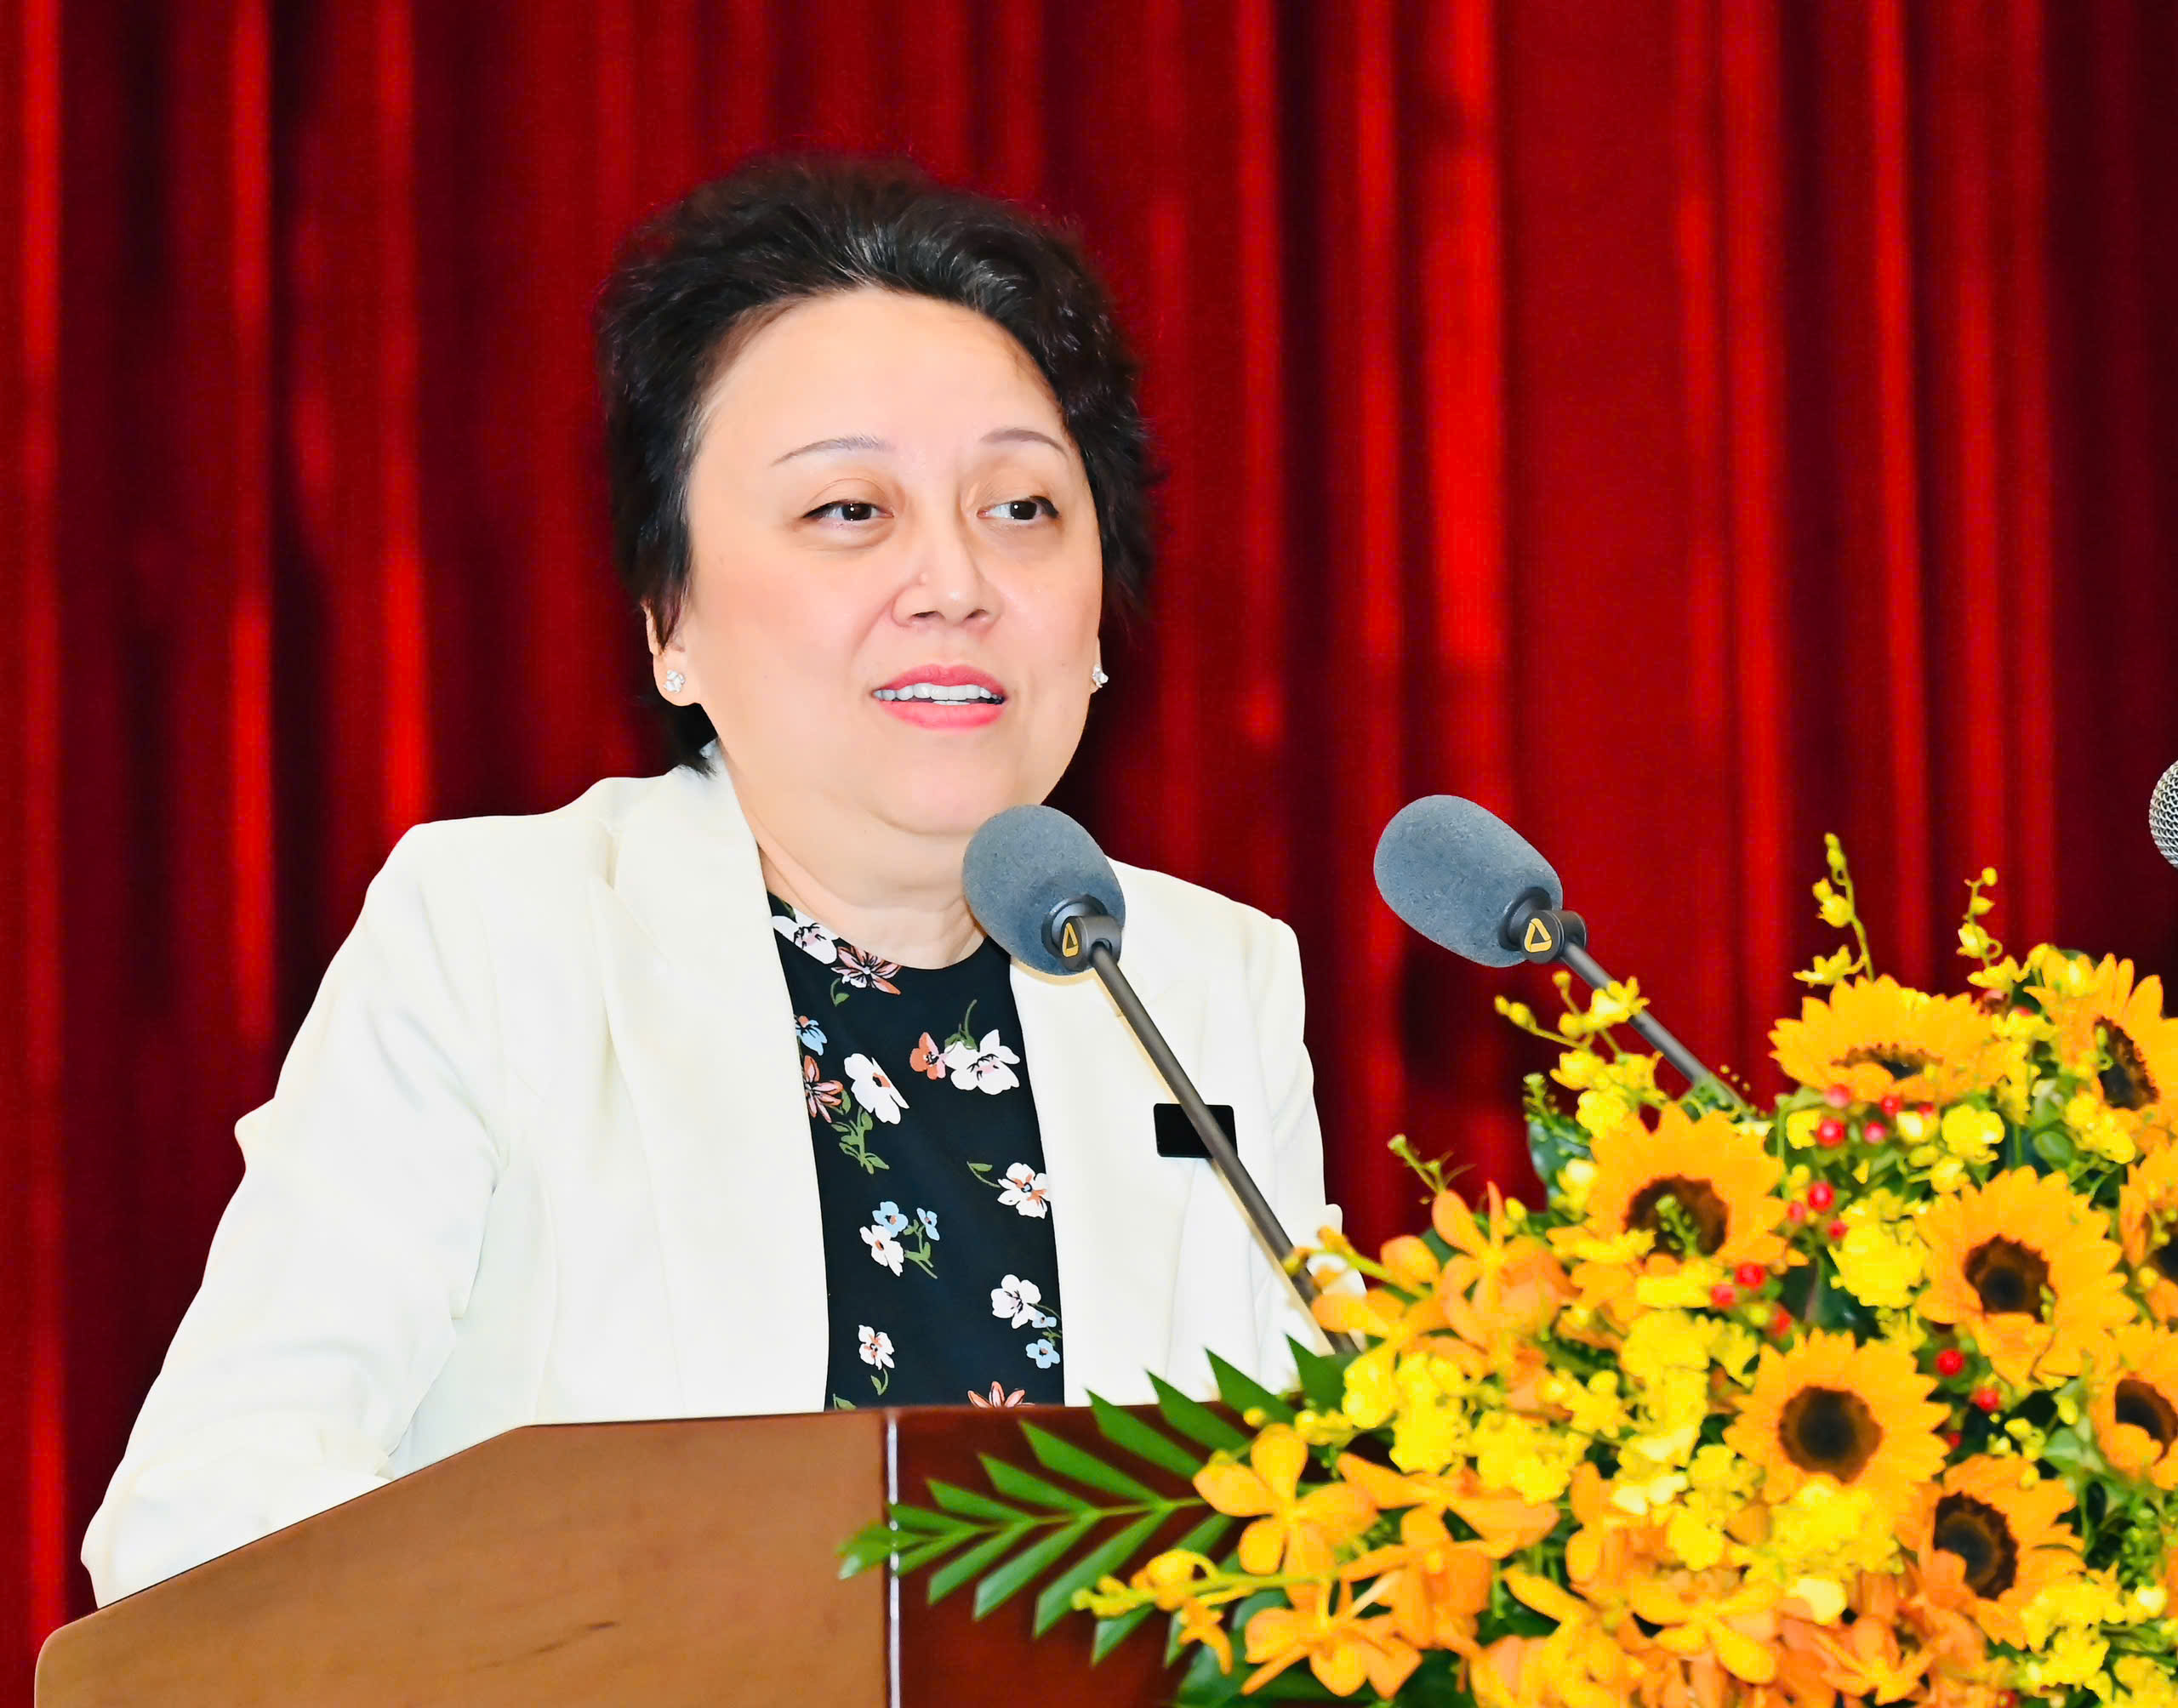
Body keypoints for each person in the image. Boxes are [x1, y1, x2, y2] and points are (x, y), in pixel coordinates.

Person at [83, 158, 1335, 1606]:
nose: (955, 582)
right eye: (849, 511)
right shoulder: (502, 938)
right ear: (670, 620)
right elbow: (210, 1520)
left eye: (1022, 507)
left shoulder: (1203, 984)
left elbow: (1312, 1543)